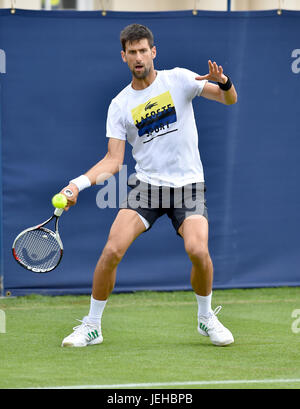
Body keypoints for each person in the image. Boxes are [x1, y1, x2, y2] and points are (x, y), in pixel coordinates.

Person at [61, 23, 238, 348]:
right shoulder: (120, 104)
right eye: (132, 52)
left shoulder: (180, 80)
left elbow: (230, 100)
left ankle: (206, 317)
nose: (139, 57)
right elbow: (113, 161)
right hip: (147, 187)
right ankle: (92, 326)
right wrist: (76, 185)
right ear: (124, 57)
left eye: (144, 50)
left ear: (153, 52)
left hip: (188, 185)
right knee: (112, 250)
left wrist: (224, 82)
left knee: (198, 250)